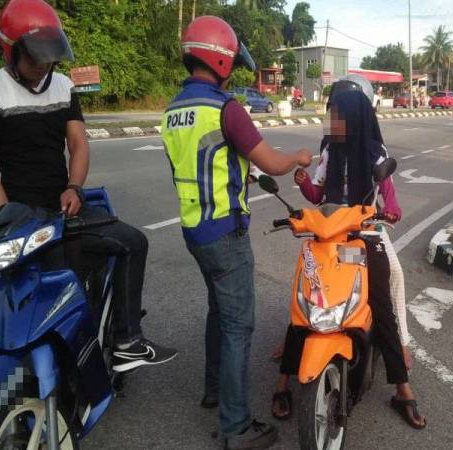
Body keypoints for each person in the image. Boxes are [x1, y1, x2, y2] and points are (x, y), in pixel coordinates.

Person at [0, 0, 177, 374]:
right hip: (18, 218)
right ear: (11, 52)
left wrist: (74, 187)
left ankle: (127, 340)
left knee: (132, 242)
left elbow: (78, 144)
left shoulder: (62, 86)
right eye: (35, 58)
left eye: (49, 57)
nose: (44, 66)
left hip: (63, 210)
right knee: (30, 305)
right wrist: (11, 224)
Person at [160, 15, 312, 450]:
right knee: (237, 326)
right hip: (225, 233)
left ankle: (214, 391)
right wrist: (299, 156)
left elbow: (198, 164)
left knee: (218, 312)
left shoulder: (174, 110)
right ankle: (236, 426)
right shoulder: (225, 109)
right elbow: (271, 162)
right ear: (221, 61)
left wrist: (233, 173)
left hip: (193, 229)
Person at [271, 87, 426, 430]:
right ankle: (284, 381)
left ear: (354, 118)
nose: (331, 122)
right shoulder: (328, 149)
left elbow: (385, 188)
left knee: (381, 304)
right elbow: (318, 192)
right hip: (328, 234)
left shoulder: (374, 150)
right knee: (306, 298)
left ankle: (402, 389)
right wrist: (301, 182)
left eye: (337, 115)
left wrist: (392, 210)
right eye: (330, 115)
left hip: (364, 234)